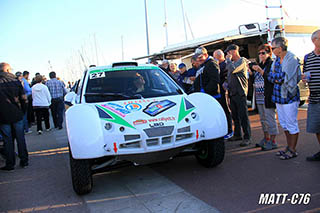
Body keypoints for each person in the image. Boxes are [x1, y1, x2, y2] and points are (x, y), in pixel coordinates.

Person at [268, 37, 301, 160]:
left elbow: (284, 77)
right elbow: (271, 77)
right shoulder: (276, 60)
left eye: (273, 48)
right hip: (278, 97)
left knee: (291, 123)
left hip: (289, 96)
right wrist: (277, 77)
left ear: (280, 48)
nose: (272, 50)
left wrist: (276, 78)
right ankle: (289, 147)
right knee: (284, 123)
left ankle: (292, 150)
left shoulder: (291, 59)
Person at [0, 62, 29, 170]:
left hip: (3, 116)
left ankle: (10, 163)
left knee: (7, 140)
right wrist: (23, 111)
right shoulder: (15, 81)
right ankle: (24, 160)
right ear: (7, 70)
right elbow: (24, 98)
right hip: (17, 114)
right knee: (20, 138)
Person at [250, 44, 279, 150]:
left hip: (268, 96)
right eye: (259, 53)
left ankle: (273, 140)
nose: (261, 55)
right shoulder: (260, 64)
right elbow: (255, 79)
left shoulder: (271, 64)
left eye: (263, 53)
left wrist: (260, 71)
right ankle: (266, 138)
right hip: (259, 96)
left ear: (269, 53)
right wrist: (253, 72)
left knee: (270, 119)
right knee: (262, 119)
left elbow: (271, 78)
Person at [225, 44, 252, 146]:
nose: (228, 54)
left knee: (243, 116)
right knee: (235, 116)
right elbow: (230, 76)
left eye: (229, 52)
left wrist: (228, 60)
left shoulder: (242, 61)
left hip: (240, 93)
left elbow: (233, 70)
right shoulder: (232, 63)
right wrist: (226, 84)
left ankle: (247, 137)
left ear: (234, 51)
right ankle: (237, 134)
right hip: (232, 93)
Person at [303, 29, 320, 161]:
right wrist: (304, 79)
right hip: (314, 97)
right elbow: (305, 75)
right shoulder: (307, 57)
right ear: (314, 41)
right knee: (316, 127)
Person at [213, 49, 233, 139]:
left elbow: (224, 77)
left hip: (224, 91)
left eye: (214, 57)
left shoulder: (224, 65)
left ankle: (230, 130)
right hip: (220, 91)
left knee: (226, 110)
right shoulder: (219, 65)